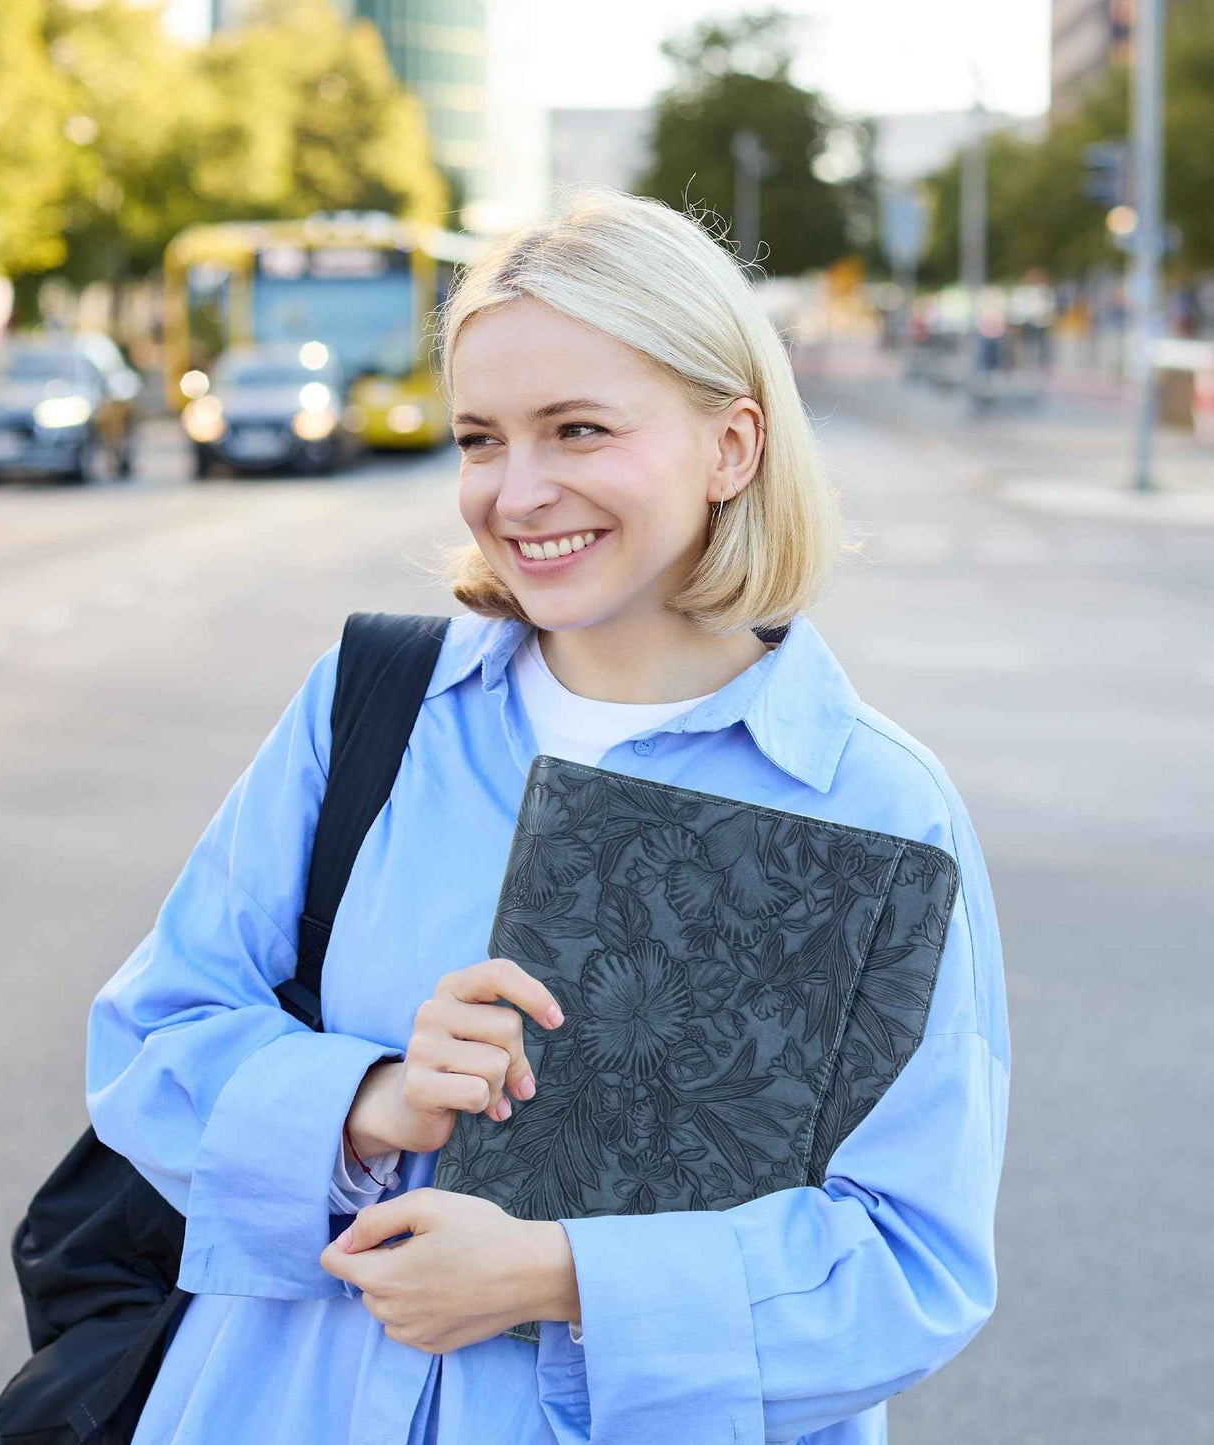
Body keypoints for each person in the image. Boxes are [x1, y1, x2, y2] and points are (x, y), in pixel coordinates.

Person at [86, 188, 1009, 1444]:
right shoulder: (373, 706)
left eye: (577, 429)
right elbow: (148, 1040)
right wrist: (370, 1100)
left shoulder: (871, 803)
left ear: (731, 446)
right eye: (480, 439)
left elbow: (910, 1261)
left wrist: (557, 1274)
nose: (516, 493)